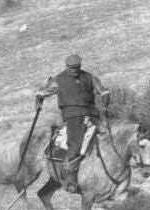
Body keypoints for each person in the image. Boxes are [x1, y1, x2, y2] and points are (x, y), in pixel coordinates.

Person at [36, 54, 110, 195]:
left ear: (80, 66)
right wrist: (39, 98)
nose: (74, 71)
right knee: (75, 144)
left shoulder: (89, 77)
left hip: (92, 113)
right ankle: (70, 178)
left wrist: (105, 97)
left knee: (109, 134)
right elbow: (42, 91)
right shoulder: (59, 80)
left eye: (76, 68)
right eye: (71, 68)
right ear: (67, 67)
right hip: (73, 115)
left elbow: (103, 90)